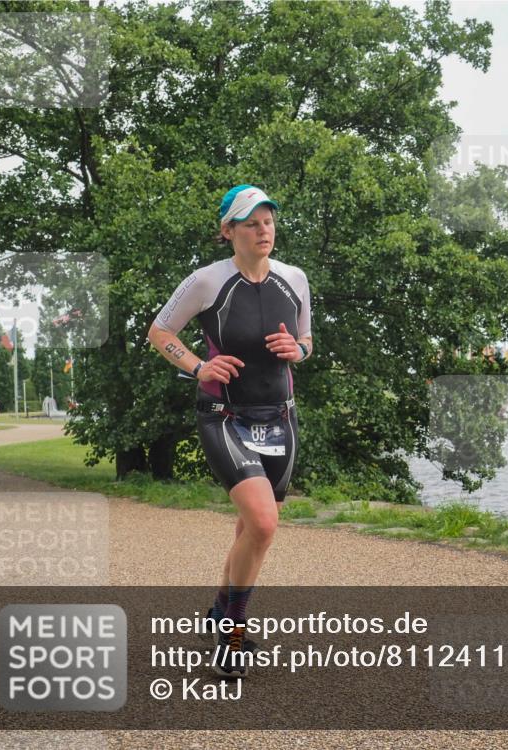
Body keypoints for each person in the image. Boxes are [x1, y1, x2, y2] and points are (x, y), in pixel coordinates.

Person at [148, 184, 312, 678]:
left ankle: (221, 608)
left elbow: (307, 340)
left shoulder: (295, 279)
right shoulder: (206, 281)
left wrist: (297, 351)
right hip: (224, 416)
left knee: (251, 528)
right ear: (228, 231)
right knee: (263, 524)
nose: (264, 230)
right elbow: (160, 331)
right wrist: (199, 367)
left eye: (268, 221)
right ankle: (232, 631)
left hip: (280, 417)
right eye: (251, 223)